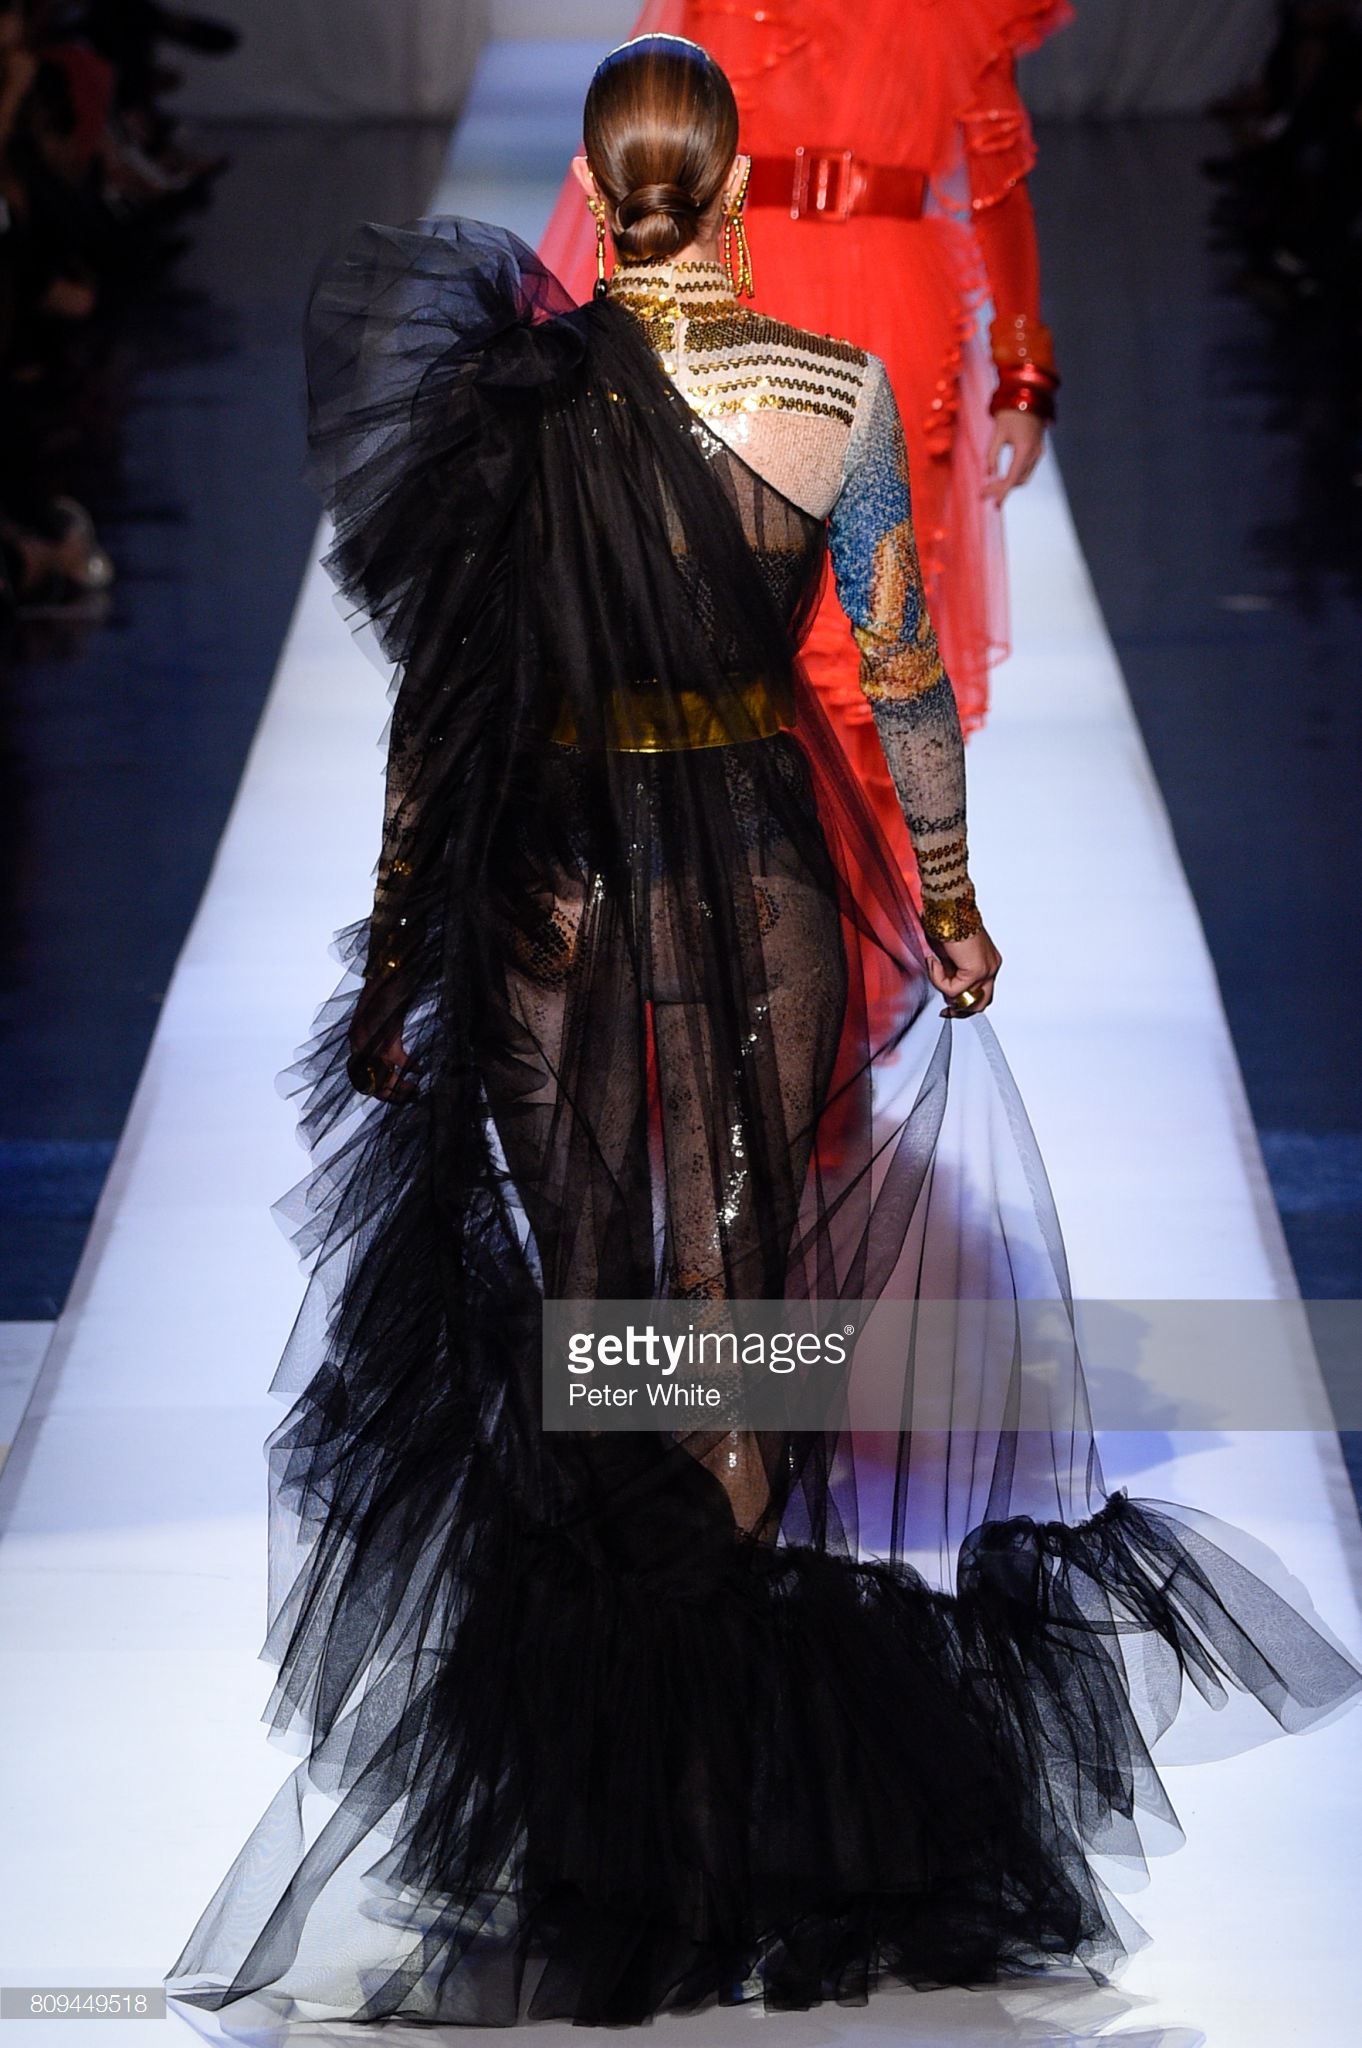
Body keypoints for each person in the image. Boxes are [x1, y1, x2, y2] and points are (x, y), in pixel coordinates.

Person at [166, 36, 1357, 2032]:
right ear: (728, 195)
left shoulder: (509, 409)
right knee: (742, 1309)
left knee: (589, 1309)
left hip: (555, 892)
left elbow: (441, 713)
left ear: (592, 195)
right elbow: (901, 681)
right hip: (764, 881)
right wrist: (951, 903)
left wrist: (392, 957)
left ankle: (617, 1788)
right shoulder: (833, 395)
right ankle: (717, 1770)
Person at [540, 0, 1070, 880]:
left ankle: (869, 912)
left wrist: (1023, 367)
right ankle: (755, 899)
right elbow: (651, 136)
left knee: (882, 626)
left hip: (897, 299)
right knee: (744, 621)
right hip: (746, 283)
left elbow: (996, 171)